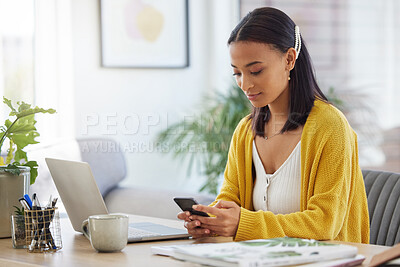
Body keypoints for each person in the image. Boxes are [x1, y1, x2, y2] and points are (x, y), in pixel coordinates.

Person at [177, 7, 370, 243]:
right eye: (237, 73)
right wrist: (212, 221)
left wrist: (242, 223)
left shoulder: (330, 126)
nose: (245, 85)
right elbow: (230, 199)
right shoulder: (245, 131)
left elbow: (324, 223)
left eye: (256, 71)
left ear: (289, 59)